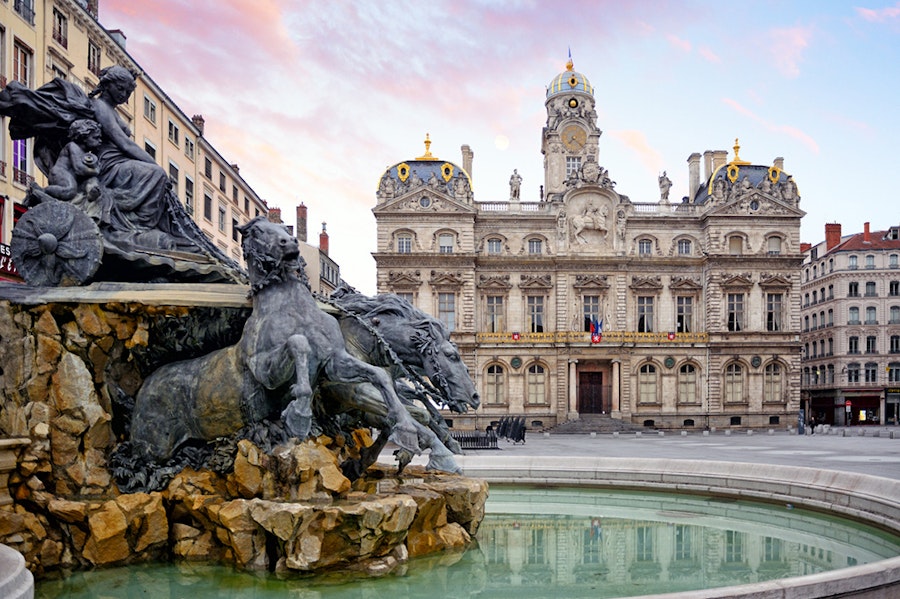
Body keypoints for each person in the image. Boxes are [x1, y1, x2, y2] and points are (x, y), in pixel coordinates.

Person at [25, 119, 102, 206]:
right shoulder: (73, 146)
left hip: (69, 176)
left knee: (90, 181)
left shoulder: (85, 153)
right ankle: (42, 191)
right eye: (96, 138)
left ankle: (91, 193)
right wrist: (96, 171)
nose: (100, 141)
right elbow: (79, 169)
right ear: (84, 137)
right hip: (60, 173)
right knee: (70, 190)